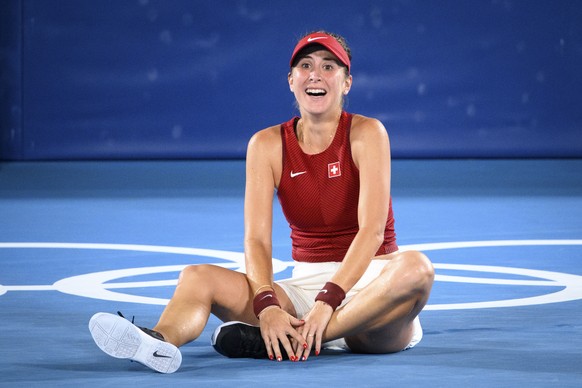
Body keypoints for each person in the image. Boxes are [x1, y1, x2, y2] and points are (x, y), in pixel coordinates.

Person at [88, 30, 434, 373]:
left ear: (346, 83)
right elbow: (256, 240)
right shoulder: (266, 145)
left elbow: (372, 232)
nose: (315, 74)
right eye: (305, 65)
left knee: (417, 268)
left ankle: (304, 341)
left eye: (329, 67)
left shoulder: (367, 133)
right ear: (291, 80)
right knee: (196, 277)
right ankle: (158, 342)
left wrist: (328, 303)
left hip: (373, 290)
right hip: (304, 288)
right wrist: (267, 305)